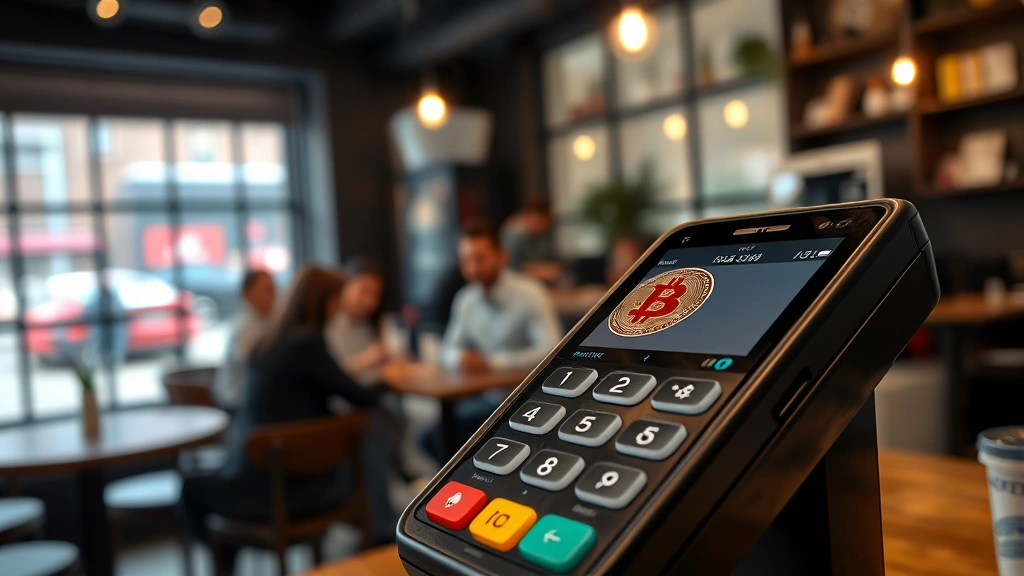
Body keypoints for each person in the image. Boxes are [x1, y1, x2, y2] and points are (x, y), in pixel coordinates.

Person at [178, 266, 390, 573]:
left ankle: (224, 564)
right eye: (336, 302)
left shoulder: (274, 340)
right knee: (370, 431)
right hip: (286, 490)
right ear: (323, 302)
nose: (338, 310)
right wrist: (389, 377)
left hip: (258, 475)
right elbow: (360, 394)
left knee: (189, 487)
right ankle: (382, 535)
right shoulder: (308, 344)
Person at [422, 221, 562, 459]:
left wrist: (492, 363)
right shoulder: (465, 299)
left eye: (480, 258)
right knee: (431, 439)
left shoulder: (530, 293)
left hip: (529, 399)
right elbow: (448, 348)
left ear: (502, 256)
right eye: (466, 260)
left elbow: (551, 349)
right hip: (487, 398)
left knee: (449, 439)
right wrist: (460, 357)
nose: (473, 267)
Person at [213, 270, 276, 410]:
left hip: (256, 400)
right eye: (268, 289)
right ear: (248, 294)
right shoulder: (243, 329)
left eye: (274, 288)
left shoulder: (266, 321)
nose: (275, 294)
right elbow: (260, 369)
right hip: (238, 404)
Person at [325, 259, 388, 382]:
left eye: (376, 294)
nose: (370, 301)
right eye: (364, 290)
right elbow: (327, 375)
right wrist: (367, 359)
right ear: (345, 286)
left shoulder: (366, 325)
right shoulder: (329, 323)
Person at [501, 197, 563, 284]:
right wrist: (541, 271)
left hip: (538, 285)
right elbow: (511, 269)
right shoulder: (514, 235)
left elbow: (549, 259)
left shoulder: (542, 236)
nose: (545, 226)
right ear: (529, 216)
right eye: (541, 221)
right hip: (518, 285)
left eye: (547, 222)